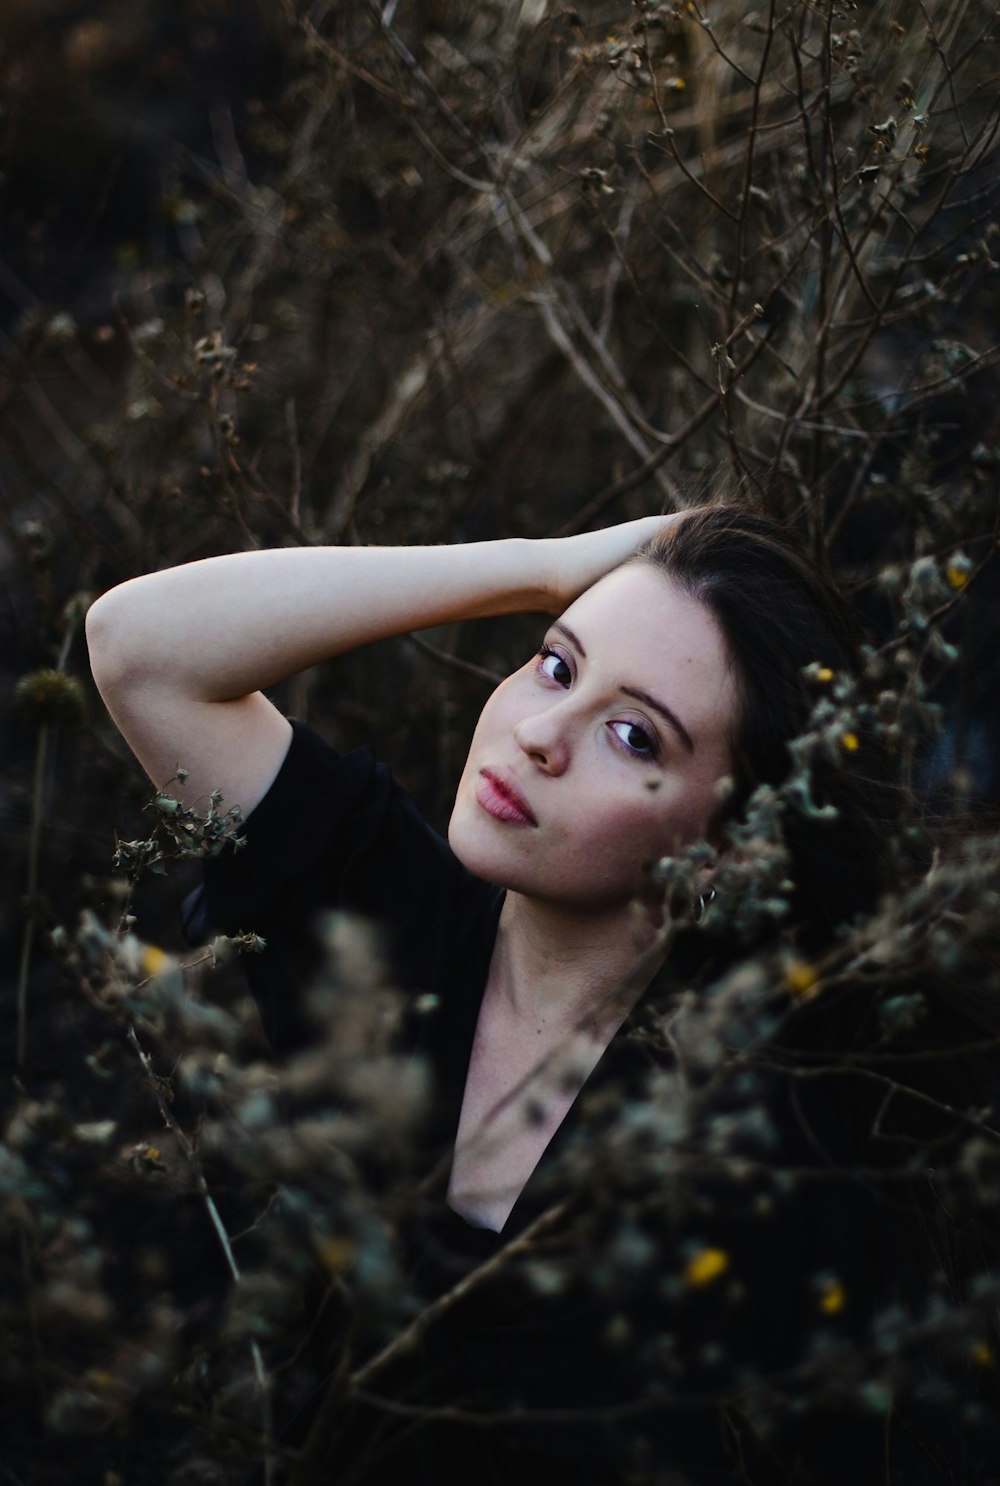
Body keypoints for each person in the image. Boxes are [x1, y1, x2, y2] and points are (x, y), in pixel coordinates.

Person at [85, 507, 988, 1484]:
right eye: (555, 664)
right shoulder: (383, 917)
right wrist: (546, 565)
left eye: (633, 735)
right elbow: (140, 650)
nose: (540, 733)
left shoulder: (755, 1144)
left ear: (727, 854)